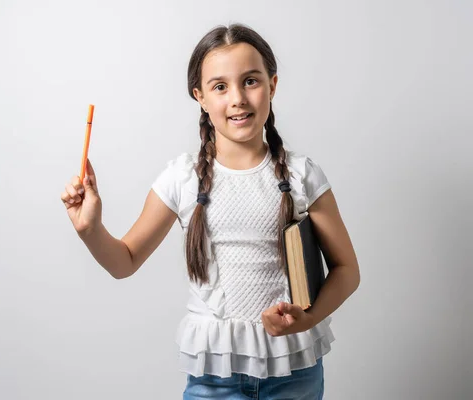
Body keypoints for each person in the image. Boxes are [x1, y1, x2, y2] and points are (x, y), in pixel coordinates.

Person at [61, 23, 360, 400]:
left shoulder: (303, 175)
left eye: (250, 81)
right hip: (214, 379)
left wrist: (308, 319)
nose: (237, 98)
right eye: (220, 86)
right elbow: (125, 261)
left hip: (293, 372)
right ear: (200, 97)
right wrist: (91, 229)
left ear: (273, 85)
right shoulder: (181, 178)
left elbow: (347, 270)